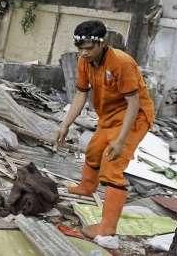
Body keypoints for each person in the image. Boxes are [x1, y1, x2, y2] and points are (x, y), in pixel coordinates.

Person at [56, 20, 155, 239]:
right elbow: (81, 94)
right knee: (93, 150)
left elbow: (134, 103)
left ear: (102, 44)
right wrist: (65, 124)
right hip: (109, 115)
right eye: (80, 48)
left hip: (134, 116)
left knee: (112, 164)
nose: (83, 53)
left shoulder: (122, 63)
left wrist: (121, 140)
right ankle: (86, 186)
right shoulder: (84, 61)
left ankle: (107, 228)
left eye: (89, 48)